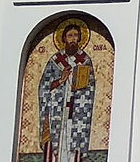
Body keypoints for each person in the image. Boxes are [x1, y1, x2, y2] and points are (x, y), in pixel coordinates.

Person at [38, 23, 97, 162]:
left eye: (76, 36)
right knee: (56, 142)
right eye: (70, 36)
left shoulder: (85, 60)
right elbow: (44, 87)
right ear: (63, 38)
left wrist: (81, 88)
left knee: (73, 143)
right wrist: (61, 80)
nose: (73, 39)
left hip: (76, 111)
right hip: (57, 111)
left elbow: (90, 87)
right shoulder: (55, 61)